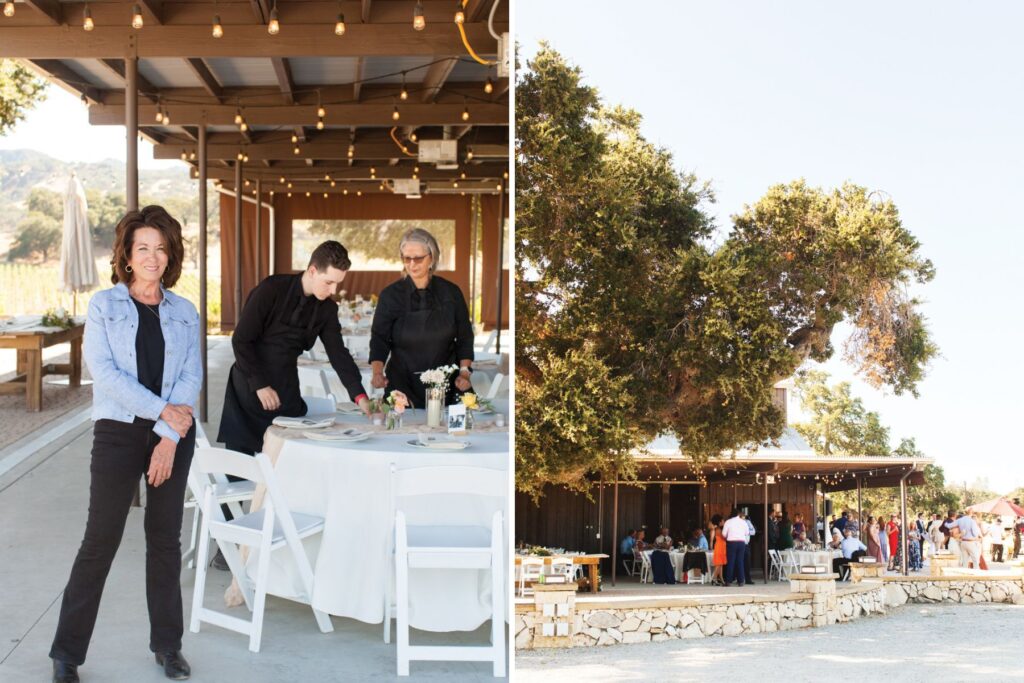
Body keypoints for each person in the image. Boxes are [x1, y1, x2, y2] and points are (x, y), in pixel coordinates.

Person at [50, 207, 201, 683]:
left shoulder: (184, 311)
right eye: (143, 248)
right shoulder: (104, 306)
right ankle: (67, 654)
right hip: (118, 431)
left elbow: (191, 375)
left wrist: (169, 436)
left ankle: (168, 647)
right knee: (100, 540)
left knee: (164, 541)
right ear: (128, 256)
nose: (153, 256)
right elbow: (106, 375)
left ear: (170, 254)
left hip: (172, 437)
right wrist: (162, 414)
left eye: (161, 248)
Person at [218, 240, 371, 456]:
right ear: (312, 271)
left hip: (286, 389)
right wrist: (260, 385)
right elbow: (241, 340)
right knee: (241, 466)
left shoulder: (327, 309)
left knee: (288, 460)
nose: (333, 290)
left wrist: (360, 396)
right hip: (249, 386)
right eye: (329, 282)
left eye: (337, 283)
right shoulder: (271, 289)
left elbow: (338, 354)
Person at [370, 228, 474, 408]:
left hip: (447, 383)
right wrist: (377, 372)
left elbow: (465, 336)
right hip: (402, 386)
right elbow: (379, 338)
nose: (412, 264)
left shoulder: (451, 292)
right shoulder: (390, 295)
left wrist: (464, 373)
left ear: (432, 258)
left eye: (418, 258)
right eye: (406, 258)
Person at [722, 509, 750, 587]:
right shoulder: (743, 522)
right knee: (740, 561)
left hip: (731, 543)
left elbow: (724, 534)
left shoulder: (728, 522)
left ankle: (728, 581)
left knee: (731, 562)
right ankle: (741, 581)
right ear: (738, 514)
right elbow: (747, 533)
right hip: (741, 543)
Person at [710, 515, 726, 586]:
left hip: (719, 546)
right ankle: (714, 578)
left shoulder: (716, 529)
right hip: (720, 546)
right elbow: (724, 538)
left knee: (720, 564)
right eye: (722, 521)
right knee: (719, 564)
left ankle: (721, 579)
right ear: (719, 522)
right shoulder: (718, 530)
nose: (724, 522)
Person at [743, 511, 756, 584]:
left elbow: (753, 532)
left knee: (747, 562)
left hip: (746, 544)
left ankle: (748, 579)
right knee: (739, 562)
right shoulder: (737, 523)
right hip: (739, 542)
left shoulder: (747, 522)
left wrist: (746, 532)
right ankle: (740, 579)